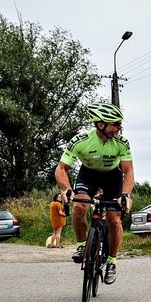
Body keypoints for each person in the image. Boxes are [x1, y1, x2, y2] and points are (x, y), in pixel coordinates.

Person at [55, 102, 134, 284]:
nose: (120, 128)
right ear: (101, 125)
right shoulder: (80, 140)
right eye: (116, 124)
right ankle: (83, 245)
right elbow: (61, 168)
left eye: (120, 123)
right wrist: (66, 189)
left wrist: (125, 195)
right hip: (88, 175)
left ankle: (112, 261)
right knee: (80, 206)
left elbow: (128, 171)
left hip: (112, 177)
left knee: (114, 219)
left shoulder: (122, 142)